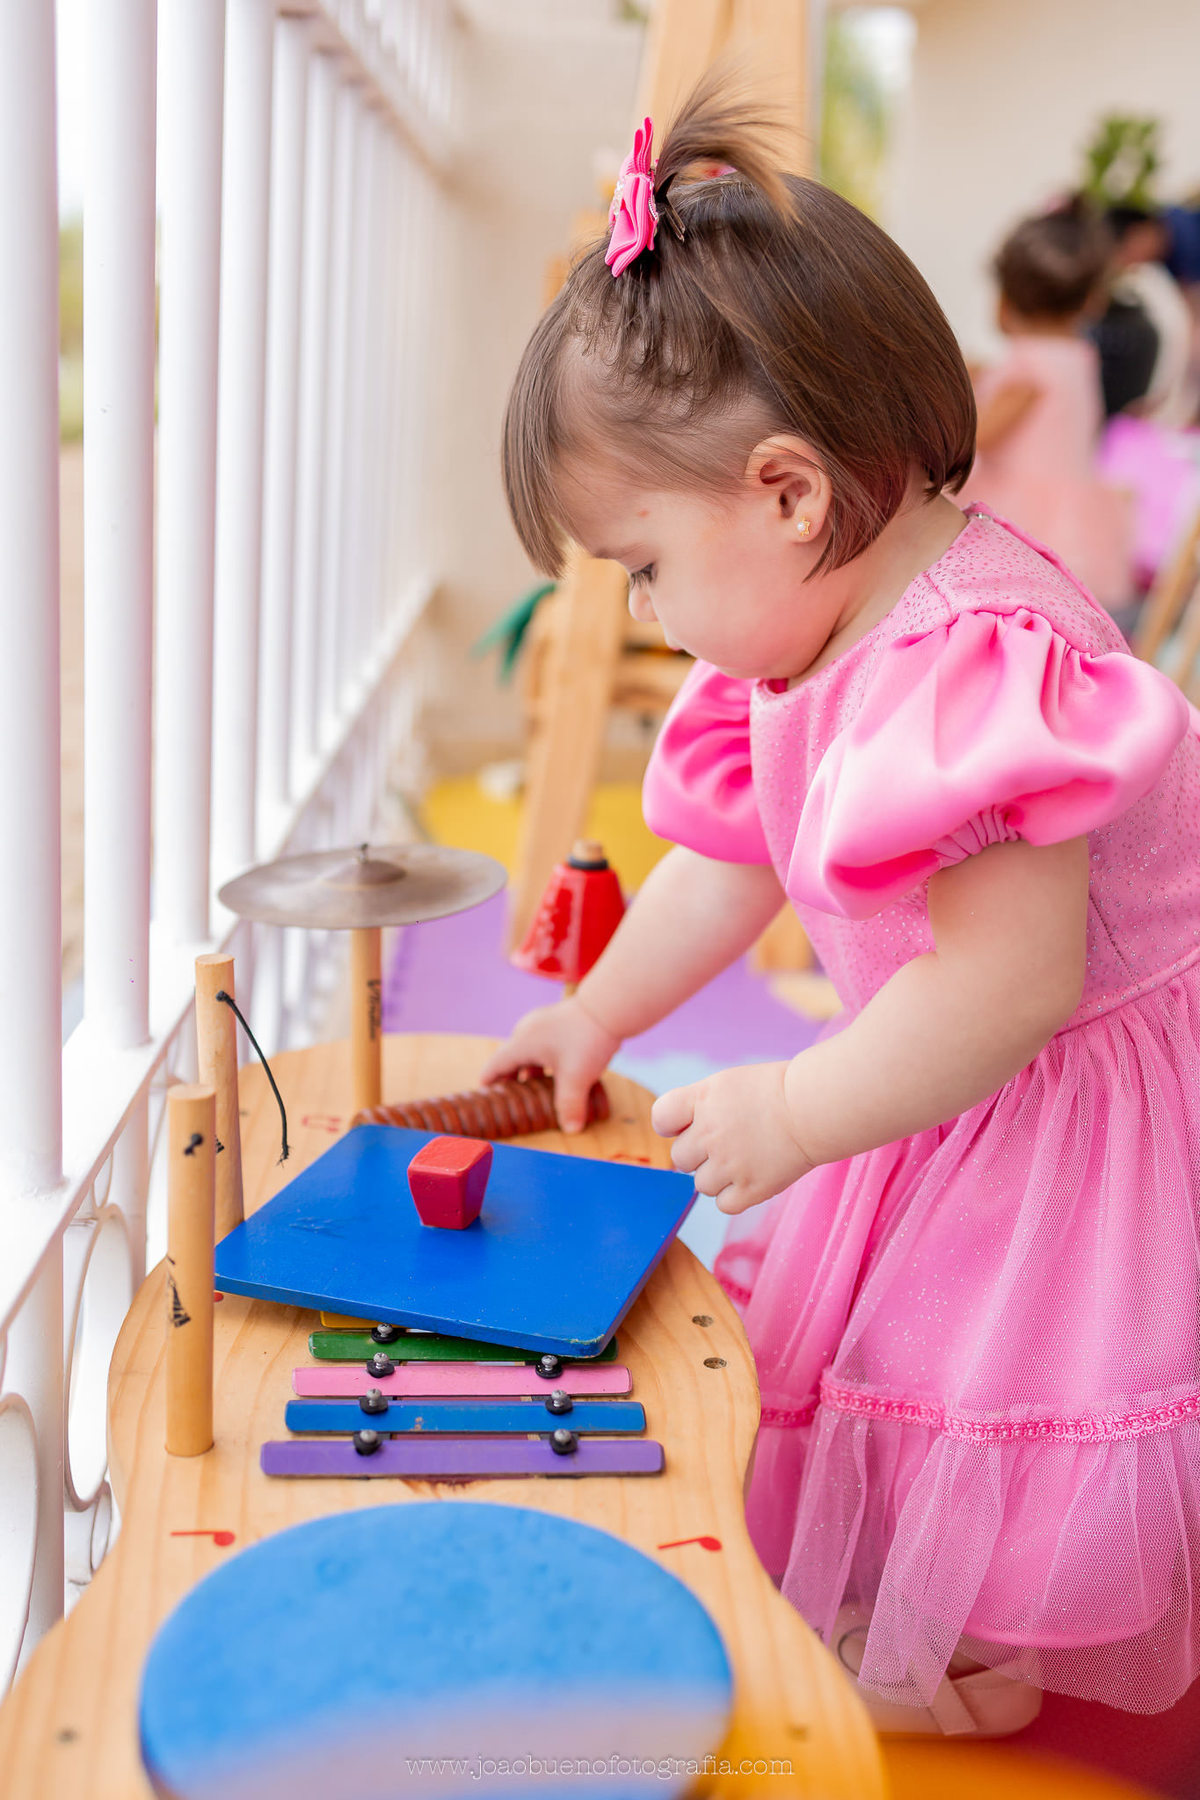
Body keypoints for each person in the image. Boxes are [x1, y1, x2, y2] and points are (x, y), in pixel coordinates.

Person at [483, 74, 1200, 1736]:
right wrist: (600, 1013)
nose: (649, 612)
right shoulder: (809, 637)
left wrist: (804, 1105)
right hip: (943, 1076)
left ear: (791, 495)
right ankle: (922, 1610)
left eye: (643, 565)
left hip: (1052, 1098)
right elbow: (736, 856)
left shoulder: (974, 662)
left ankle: (987, 1654)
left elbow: (1014, 987)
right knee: (882, 1352)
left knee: (995, 1374)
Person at [962, 201, 1133, 610]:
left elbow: (977, 434)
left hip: (1024, 519)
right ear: (1091, 300)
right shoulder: (1078, 354)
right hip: (1071, 517)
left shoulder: (1026, 370)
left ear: (1004, 300)